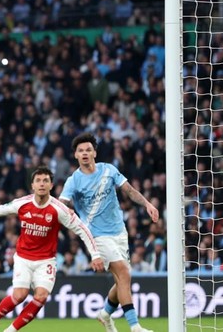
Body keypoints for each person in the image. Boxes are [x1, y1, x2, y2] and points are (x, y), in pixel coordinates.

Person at [0, 166, 104, 332]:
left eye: (45, 181)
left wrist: (95, 254)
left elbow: (82, 229)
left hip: (46, 260)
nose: (41, 184)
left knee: (41, 296)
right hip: (24, 257)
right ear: (32, 185)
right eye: (38, 180)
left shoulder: (59, 209)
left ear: (51, 186)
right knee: (20, 295)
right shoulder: (23, 203)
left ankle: (11, 330)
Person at [59, 132, 159, 332]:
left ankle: (105, 314)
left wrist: (147, 203)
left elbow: (129, 190)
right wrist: (65, 210)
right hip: (96, 235)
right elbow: (61, 203)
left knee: (122, 279)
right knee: (123, 272)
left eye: (88, 149)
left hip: (119, 232)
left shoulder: (108, 170)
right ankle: (135, 326)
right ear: (76, 156)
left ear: (95, 152)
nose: (85, 153)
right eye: (80, 151)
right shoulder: (74, 181)